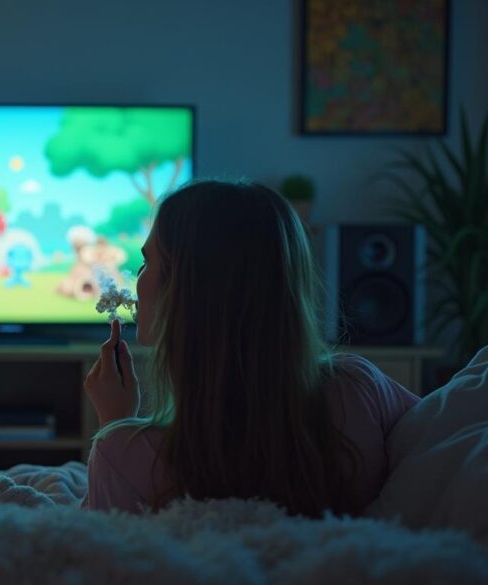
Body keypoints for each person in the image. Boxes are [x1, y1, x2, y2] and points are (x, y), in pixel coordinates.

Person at [82, 180, 420, 518]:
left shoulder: (126, 455)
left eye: (145, 262)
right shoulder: (360, 388)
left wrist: (116, 424)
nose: (138, 279)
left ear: (184, 291)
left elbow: (105, 552)